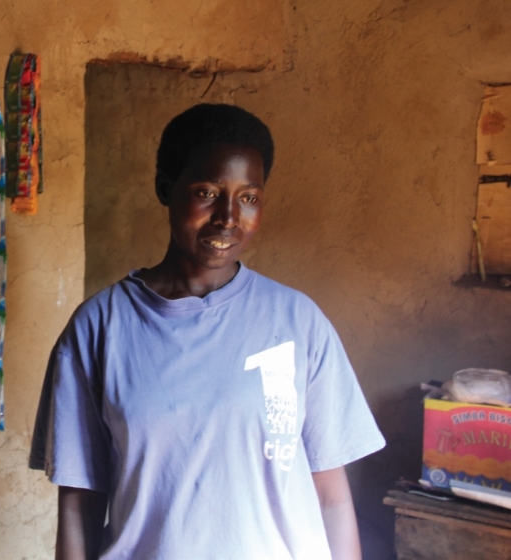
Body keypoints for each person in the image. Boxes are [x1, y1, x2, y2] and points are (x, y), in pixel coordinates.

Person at [29, 104, 385, 560]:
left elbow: (332, 499)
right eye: (207, 192)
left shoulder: (298, 322)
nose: (228, 217)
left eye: (249, 198)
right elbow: (79, 504)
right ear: (165, 188)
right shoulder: (99, 328)